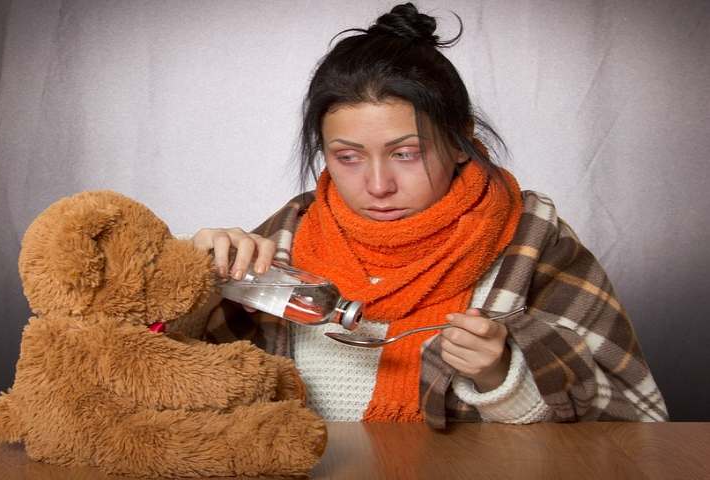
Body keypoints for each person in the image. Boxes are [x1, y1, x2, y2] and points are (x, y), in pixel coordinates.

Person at [192, 3, 668, 427]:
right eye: (348, 157)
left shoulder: (532, 241)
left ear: (459, 141)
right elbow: (172, 387)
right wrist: (194, 285)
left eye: (406, 153)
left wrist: (504, 377)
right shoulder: (286, 235)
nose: (378, 185)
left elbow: (635, 421)